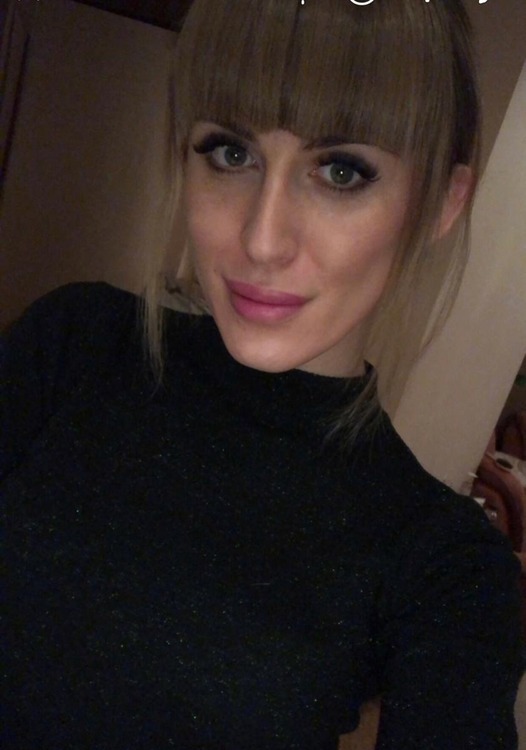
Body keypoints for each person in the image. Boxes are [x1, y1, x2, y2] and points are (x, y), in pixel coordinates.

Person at [1, 0, 523, 748]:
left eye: (341, 171)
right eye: (230, 153)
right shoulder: (73, 346)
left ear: (441, 202)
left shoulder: (442, 567)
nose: (262, 239)